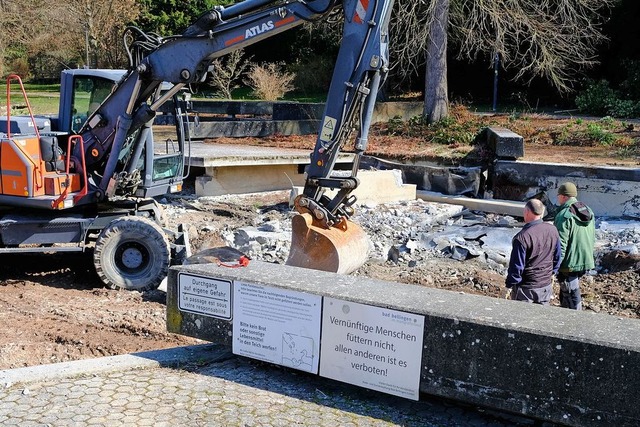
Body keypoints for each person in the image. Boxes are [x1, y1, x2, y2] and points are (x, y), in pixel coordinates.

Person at [505, 199, 562, 305]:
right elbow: (558, 256)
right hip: (545, 286)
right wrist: (552, 272)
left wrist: (510, 285)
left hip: (526, 289)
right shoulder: (553, 230)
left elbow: (517, 267)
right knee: (540, 319)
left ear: (526, 212)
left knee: (521, 319)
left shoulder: (522, 237)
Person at [554, 182, 595, 310]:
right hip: (584, 258)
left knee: (570, 291)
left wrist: (555, 265)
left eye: (558, 195)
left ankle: (575, 319)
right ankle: (566, 314)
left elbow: (560, 244)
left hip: (570, 263)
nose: (557, 198)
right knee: (569, 290)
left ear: (564, 196)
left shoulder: (564, 215)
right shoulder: (587, 210)